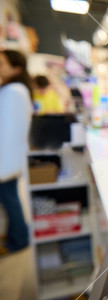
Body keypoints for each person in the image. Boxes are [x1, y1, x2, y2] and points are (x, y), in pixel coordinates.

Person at [0, 49, 33, 255]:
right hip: (9, 158)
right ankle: (17, 236)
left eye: (2, 64)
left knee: (10, 200)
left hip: (6, 159)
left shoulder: (13, 91)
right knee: (10, 199)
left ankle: (19, 239)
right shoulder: (16, 90)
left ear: (16, 68)